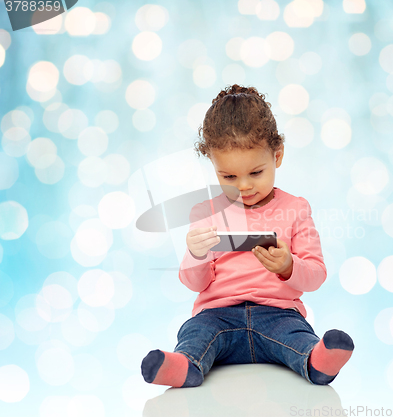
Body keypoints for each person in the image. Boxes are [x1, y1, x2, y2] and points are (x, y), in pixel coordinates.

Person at [141, 84, 354, 388]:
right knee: (196, 333)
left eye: (256, 173)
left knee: (296, 335)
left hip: (278, 314)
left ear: (277, 156)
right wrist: (196, 254)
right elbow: (194, 284)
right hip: (217, 315)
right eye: (228, 176)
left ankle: (316, 361)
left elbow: (316, 276)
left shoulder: (295, 209)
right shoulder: (205, 212)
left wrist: (287, 266)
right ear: (213, 166)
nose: (243, 186)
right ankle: (185, 366)